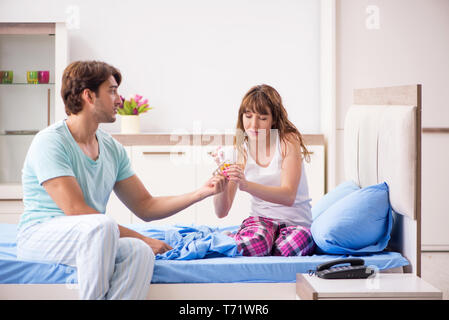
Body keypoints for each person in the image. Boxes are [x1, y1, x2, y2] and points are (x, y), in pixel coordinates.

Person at [16, 60, 226, 300]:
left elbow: (146, 206)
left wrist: (201, 192)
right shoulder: (51, 142)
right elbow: (76, 211)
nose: (119, 99)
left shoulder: (111, 148)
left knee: (139, 252)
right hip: (41, 236)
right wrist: (143, 237)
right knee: (106, 226)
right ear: (89, 95)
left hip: (94, 237)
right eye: (112, 90)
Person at [212, 84, 315, 257]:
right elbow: (222, 212)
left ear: (274, 119)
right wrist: (220, 177)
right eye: (248, 116)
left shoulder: (287, 141)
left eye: (262, 118)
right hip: (261, 222)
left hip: (296, 223)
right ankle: (249, 239)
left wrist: (246, 185)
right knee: (254, 244)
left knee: (289, 249)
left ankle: (249, 240)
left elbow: (288, 196)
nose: (253, 125)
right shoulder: (240, 150)